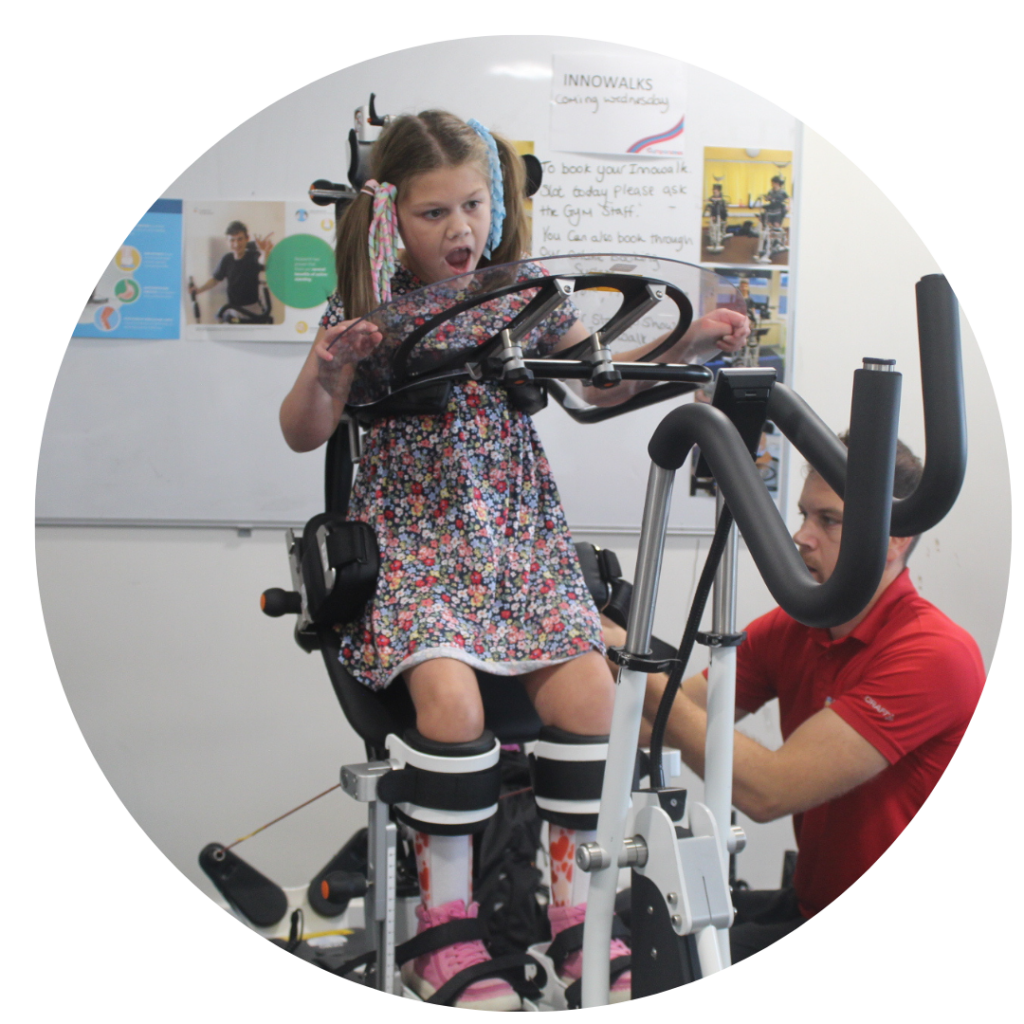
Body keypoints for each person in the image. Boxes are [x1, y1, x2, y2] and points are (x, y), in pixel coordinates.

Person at [279, 110, 749, 1009]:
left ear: (499, 202)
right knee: (451, 706)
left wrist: (689, 344)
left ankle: (581, 916)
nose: (461, 231)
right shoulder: (362, 308)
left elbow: (600, 381)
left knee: (595, 702)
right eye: (433, 214)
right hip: (416, 549)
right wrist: (329, 372)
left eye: (475, 205)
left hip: (518, 547)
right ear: (388, 219)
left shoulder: (525, 288)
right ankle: (443, 935)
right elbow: (304, 434)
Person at [603, 438, 985, 964]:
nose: (801, 538)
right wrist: (596, 654)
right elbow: (658, 728)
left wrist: (639, 669)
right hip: (812, 900)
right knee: (620, 918)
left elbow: (768, 791)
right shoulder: (792, 628)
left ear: (895, 537)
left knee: (663, 967)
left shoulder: (934, 654)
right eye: (804, 514)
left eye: (828, 520)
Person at [191, 221, 274, 322]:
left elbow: (262, 261)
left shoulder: (253, 256)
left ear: (247, 239)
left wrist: (264, 252)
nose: (236, 244)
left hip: (252, 310)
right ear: (227, 241)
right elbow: (215, 280)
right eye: (232, 240)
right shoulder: (227, 259)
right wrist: (199, 290)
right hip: (233, 309)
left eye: (240, 239)